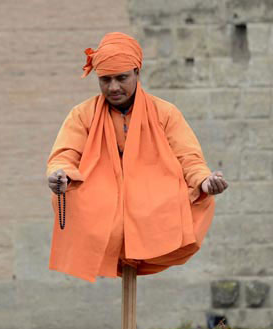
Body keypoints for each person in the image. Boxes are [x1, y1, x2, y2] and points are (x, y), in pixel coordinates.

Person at [46, 32, 228, 282]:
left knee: (195, 199)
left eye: (121, 78)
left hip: (152, 206)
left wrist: (204, 181)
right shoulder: (82, 114)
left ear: (137, 73)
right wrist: (60, 175)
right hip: (102, 208)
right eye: (105, 80)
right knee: (70, 198)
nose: (113, 87)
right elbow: (64, 156)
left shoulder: (165, 113)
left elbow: (189, 158)